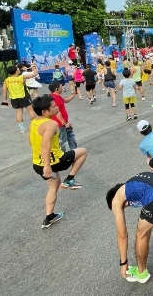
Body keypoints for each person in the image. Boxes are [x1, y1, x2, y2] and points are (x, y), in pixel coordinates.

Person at [106, 171, 153, 282]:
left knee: (141, 234)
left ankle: (141, 273)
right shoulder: (133, 182)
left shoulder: (117, 198)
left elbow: (122, 235)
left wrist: (123, 263)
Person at [30, 95, 88, 228]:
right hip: (55, 162)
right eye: (53, 106)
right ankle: (69, 180)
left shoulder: (34, 122)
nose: (56, 108)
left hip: (37, 164)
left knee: (53, 187)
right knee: (83, 151)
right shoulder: (51, 124)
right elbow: (45, 145)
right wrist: (47, 165)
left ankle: (49, 217)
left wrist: (44, 164)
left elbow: (31, 142)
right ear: (44, 111)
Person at [2, 64, 38, 133]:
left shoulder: (7, 80)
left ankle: (22, 129)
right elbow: (34, 74)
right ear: (15, 71)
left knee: (18, 113)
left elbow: (4, 91)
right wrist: (34, 66)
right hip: (24, 97)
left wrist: (5, 100)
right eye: (17, 69)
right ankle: (35, 126)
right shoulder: (21, 77)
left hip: (14, 99)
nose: (18, 69)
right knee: (30, 110)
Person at [49, 82, 78, 151]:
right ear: (57, 89)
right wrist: (64, 123)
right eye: (60, 87)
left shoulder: (56, 96)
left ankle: (75, 152)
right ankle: (62, 156)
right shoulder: (54, 99)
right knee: (62, 141)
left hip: (64, 123)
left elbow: (65, 100)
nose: (62, 88)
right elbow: (57, 113)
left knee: (71, 137)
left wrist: (73, 95)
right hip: (60, 124)